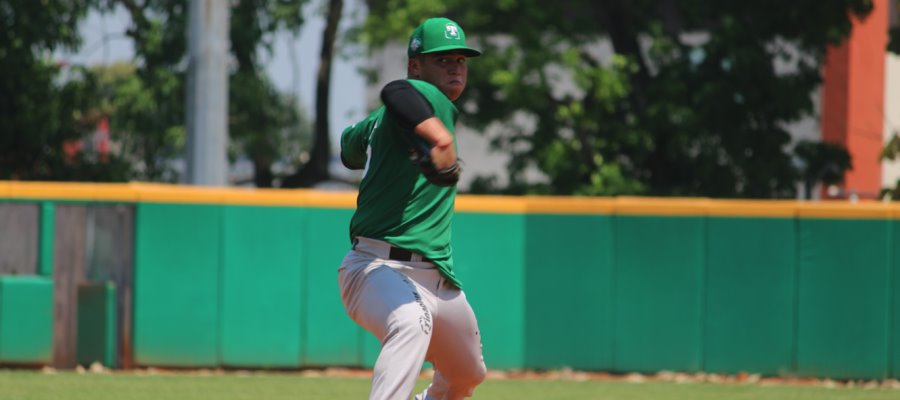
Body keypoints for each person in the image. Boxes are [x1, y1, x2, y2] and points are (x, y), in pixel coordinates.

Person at [337, 16, 487, 400]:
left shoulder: (382, 121)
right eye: (442, 59)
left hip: (436, 277)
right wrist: (435, 133)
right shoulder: (425, 97)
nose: (455, 66)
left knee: (466, 375)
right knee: (409, 321)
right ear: (415, 65)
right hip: (378, 267)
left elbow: (348, 150)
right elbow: (397, 91)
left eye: (461, 59)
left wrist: (377, 138)